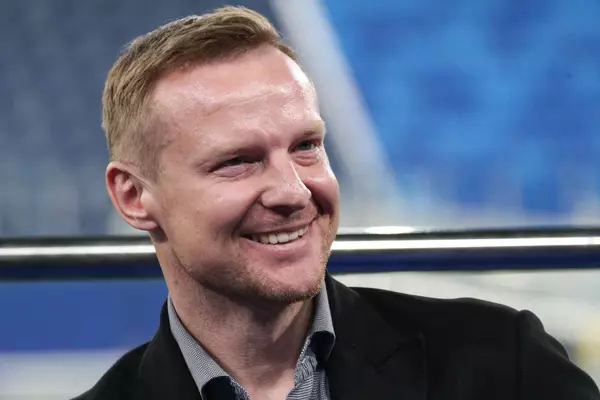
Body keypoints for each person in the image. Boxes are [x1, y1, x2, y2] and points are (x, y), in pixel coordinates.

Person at [74, 6, 600, 400]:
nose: (294, 191)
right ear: (134, 196)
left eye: (306, 146)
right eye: (238, 161)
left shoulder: (504, 363)